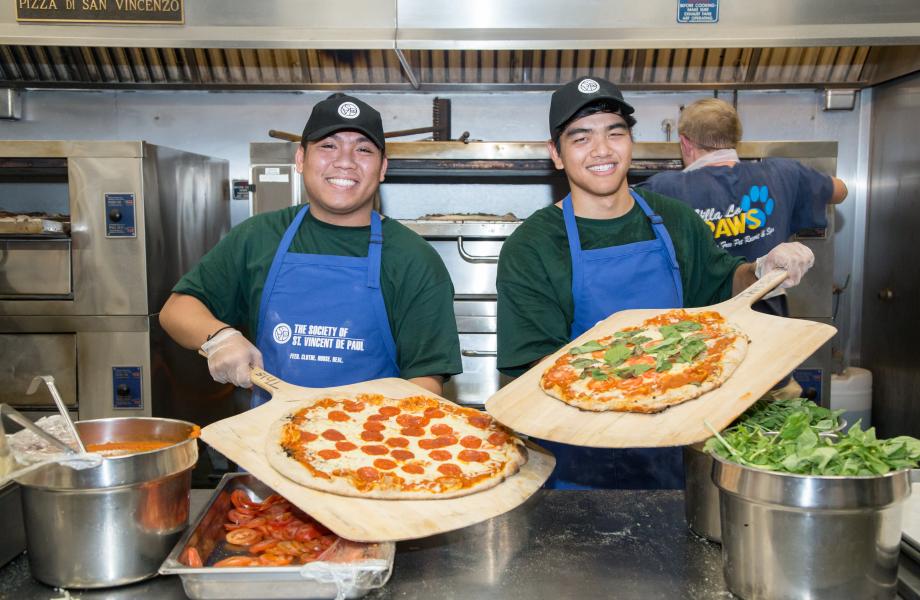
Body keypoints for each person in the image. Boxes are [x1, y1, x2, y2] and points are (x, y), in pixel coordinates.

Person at [496, 76, 815, 490]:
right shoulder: (532, 245)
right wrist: (625, 387)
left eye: (615, 133)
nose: (602, 150)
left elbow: (721, 284)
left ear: (631, 142)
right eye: (581, 138)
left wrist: (759, 269)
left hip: (680, 454)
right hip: (578, 468)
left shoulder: (674, 219)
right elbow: (535, 371)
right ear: (555, 154)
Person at [160, 93, 462, 403]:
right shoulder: (258, 236)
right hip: (265, 440)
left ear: (382, 167)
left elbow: (426, 381)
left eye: (363, 149)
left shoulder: (413, 258)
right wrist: (220, 338)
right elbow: (177, 309)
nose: (345, 161)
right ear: (301, 159)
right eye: (328, 146)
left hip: (371, 442)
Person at [641, 97, 848, 397]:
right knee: (768, 435)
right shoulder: (781, 174)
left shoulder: (663, 190)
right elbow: (839, 190)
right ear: (734, 140)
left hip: (697, 356)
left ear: (685, 144)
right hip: (769, 354)